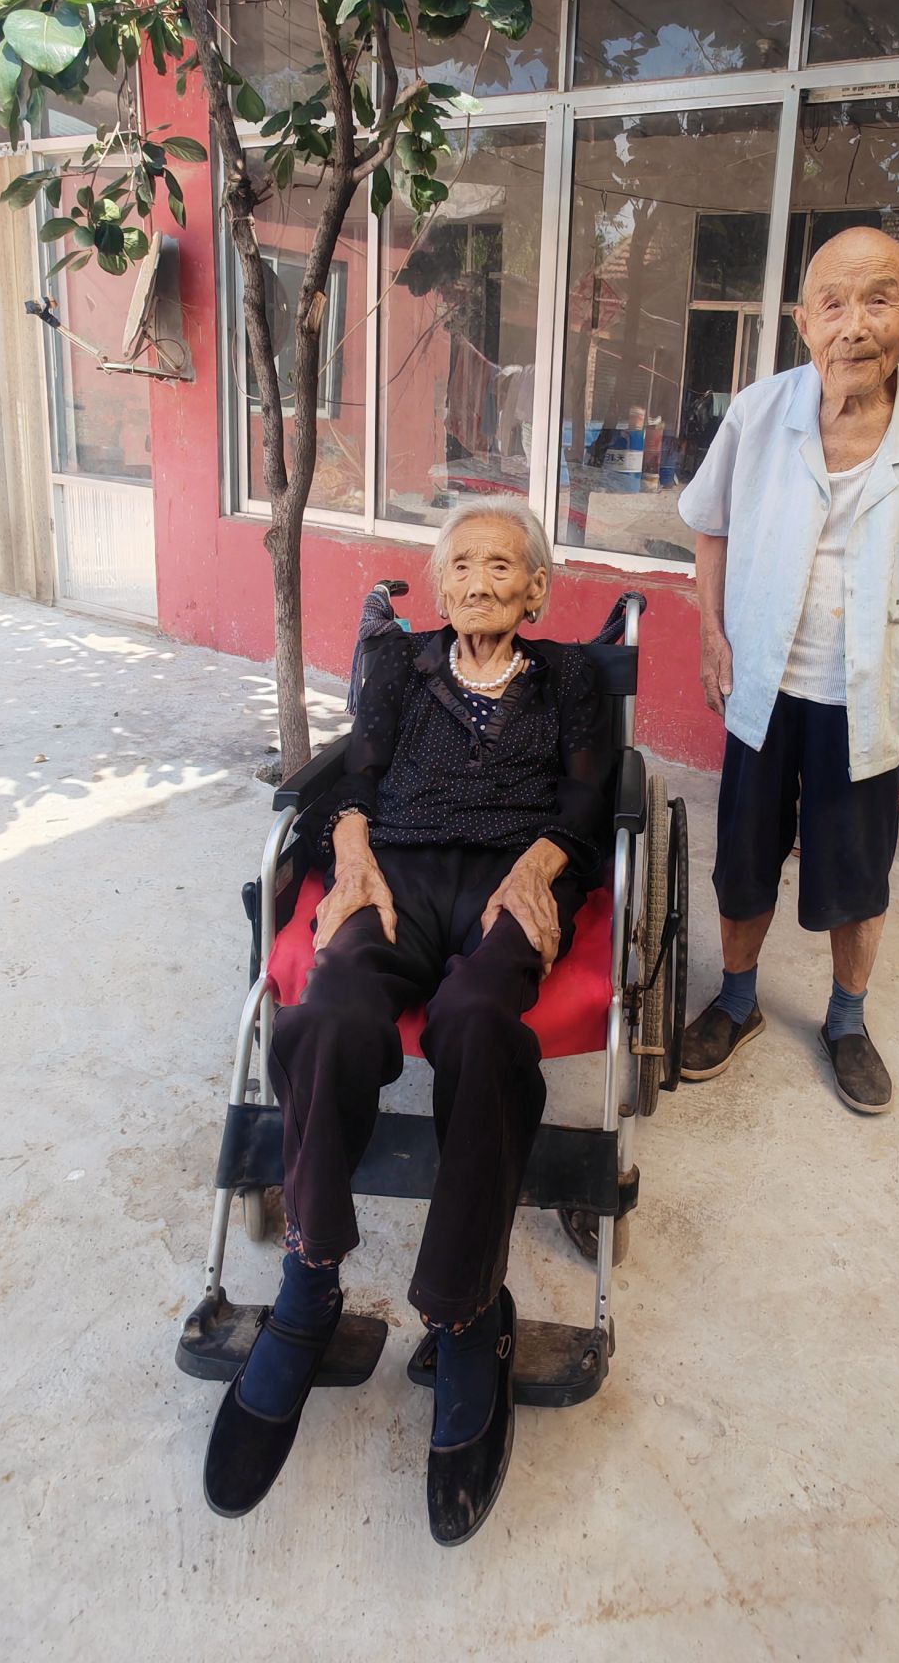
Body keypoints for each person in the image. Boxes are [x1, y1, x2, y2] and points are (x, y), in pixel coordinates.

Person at [204, 496, 610, 1543]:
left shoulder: (573, 678)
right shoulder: (400, 665)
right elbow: (358, 776)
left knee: (479, 1022)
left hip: (513, 881)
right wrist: (350, 853)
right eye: (461, 564)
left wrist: (543, 867)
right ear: (438, 586)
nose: (479, 580)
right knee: (331, 1011)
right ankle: (310, 1284)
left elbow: (589, 800)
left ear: (537, 589)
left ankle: (467, 1312)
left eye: (502, 566)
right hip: (394, 873)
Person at [676, 227, 899, 1114]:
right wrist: (712, 636)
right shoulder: (758, 412)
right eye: (834, 304)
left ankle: (847, 1020)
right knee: (744, 855)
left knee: (857, 868)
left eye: (878, 301)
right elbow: (711, 527)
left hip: (870, 690)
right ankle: (737, 1002)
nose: (855, 325)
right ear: (803, 322)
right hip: (764, 681)